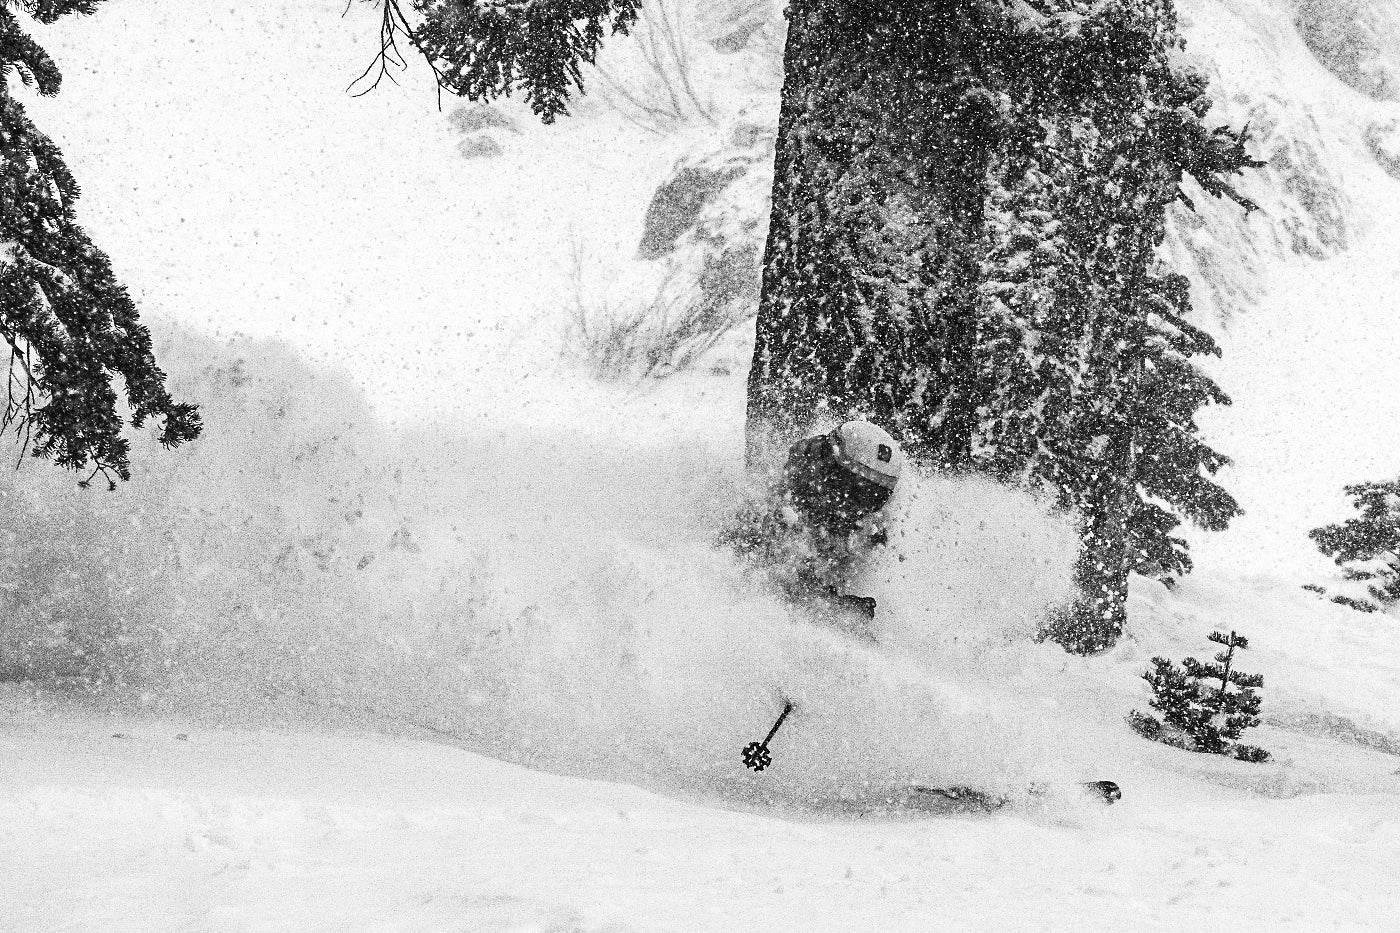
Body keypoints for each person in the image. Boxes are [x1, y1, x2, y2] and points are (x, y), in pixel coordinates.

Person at [730, 419, 904, 626]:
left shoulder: (868, 520)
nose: (859, 505)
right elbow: (771, 585)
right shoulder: (780, 507)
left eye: (874, 497)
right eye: (854, 488)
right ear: (830, 468)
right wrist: (835, 604)